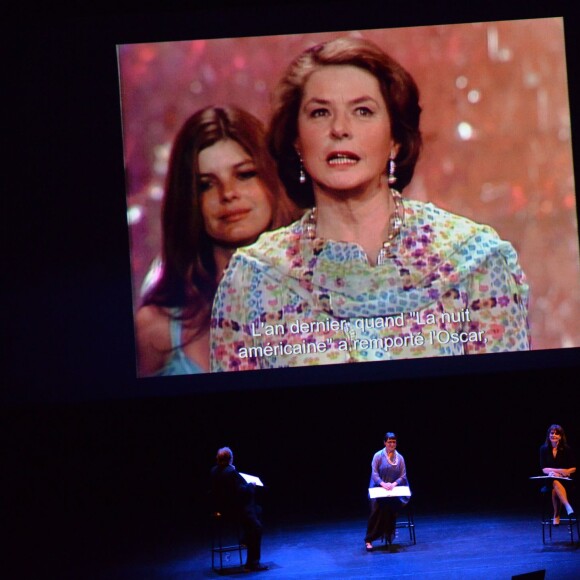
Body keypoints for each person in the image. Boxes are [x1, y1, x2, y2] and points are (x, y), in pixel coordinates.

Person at [210, 36, 530, 372]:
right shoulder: (252, 281)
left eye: (363, 111)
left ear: (394, 140)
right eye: (320, 113)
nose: (339, 129)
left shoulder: (475, 262)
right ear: (296, 142)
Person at [135, 105, 297, 376]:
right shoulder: (155, 329)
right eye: (206, 185)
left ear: (272, 179)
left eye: (244, 174)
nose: (228, 194)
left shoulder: (326, 301)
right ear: (188, 200)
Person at [209, 447, 268, 572]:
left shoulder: (214, 470)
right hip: (234, 510)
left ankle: (245, 538)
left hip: (221, 509)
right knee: (256, 527)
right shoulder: (231, 472)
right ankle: (253, 563)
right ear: (230, 458)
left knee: (258, 510)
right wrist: (250, 485)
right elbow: (241, 492)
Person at [364, 432, 410, 550]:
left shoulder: (399, 458)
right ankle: (369, 539)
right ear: (385, 442)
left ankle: (389, 536)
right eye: (389, 442)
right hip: (378, 486)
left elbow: (403, 475)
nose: (392, 444)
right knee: (377, 508)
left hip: (393, 488)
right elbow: (374, 474)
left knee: (391, 507)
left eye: (394, 442)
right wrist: (383, 484)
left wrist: (393, 484)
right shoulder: (378, 456)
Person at [539, 424, 576, 525]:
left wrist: (564, 472)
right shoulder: (543, 449)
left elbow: (573, 468)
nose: (553, 435)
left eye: (556, 434)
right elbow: (544, 469)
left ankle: (556, 515)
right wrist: (558, 471)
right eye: (552, 433)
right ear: (548, 435)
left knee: (556, 488)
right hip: (550, 480)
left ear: (560, 436)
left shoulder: (566, 449)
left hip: (564, 480)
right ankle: (568, 507)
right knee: (554, 481)